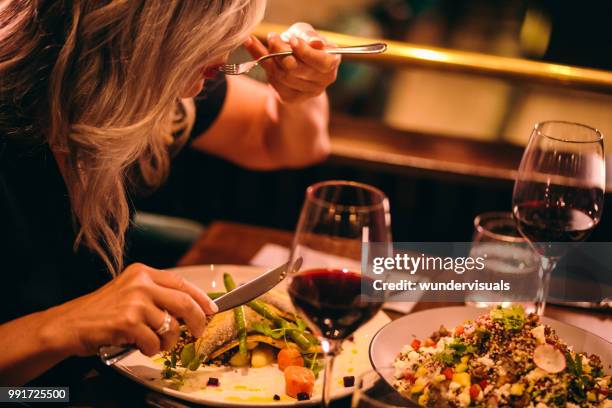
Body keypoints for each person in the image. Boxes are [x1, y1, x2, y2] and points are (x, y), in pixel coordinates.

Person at [0, 0, 340, 385]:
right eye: (202, 47)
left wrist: (300, 91)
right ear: (132, 33)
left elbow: (286, 141)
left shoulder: (133, 86)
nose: (226, 51)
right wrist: (64, 326)